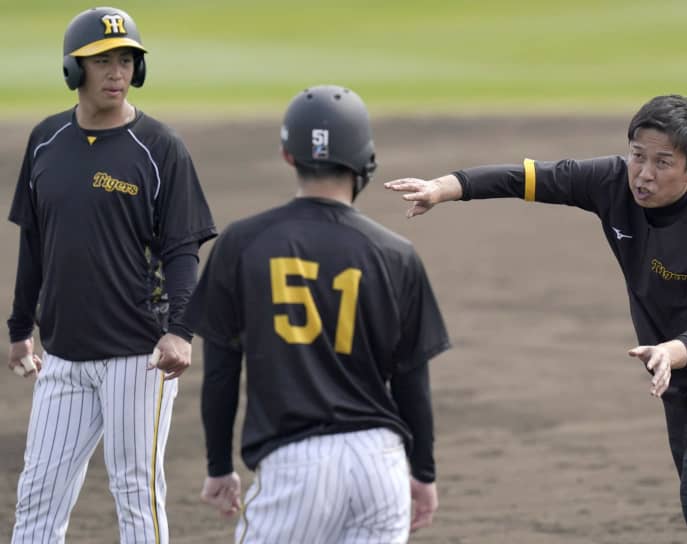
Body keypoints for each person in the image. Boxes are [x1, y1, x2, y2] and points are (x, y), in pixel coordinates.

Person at [384, 94, 687, 544]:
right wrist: (444, 187)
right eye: (638, 156)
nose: (645, 174)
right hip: (673, 368)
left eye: (663, 162)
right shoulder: (613, 181)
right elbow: (528, 178)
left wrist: (670, 351)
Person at [184, 84, 450, 543]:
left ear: (289, 156)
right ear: (365, 160)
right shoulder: (396, 254)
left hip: (295, 466)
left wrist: (218, 467)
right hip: (379, 465)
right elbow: (412, 381)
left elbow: (221, 373)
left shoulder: (242, 243)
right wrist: (423, 472)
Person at [6, 6, 216, 543]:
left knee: (137, 497)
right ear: (75, 70)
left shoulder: (160, 147)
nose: (117, 72)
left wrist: (180, 331)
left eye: (126, 60)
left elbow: (182, 250)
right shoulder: (46, 141)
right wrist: (18, 330)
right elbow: (34, 242)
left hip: (138, 358)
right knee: (37, 497)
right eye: (103, 61)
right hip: (64, 357)